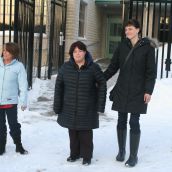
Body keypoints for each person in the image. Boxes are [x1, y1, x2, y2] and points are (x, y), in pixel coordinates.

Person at [104, 19, 156, 167]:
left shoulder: (147, 47)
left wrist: (148, 90)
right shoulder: (122, 46)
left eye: (130, 29)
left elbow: (151, 72)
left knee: (134, 121)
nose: (127, 32)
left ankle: (133, 156)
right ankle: (121, 151)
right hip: (122, 88)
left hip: (138, 91)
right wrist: (100, 79)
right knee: (121, 120)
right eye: (126, 29)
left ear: (138, 30)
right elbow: (113, 67)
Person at [53, 41, 106, 165]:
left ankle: (87, 156)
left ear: (85, 52)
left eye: (80, 51)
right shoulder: (65, 67)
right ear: (71, 54)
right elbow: (59, 86)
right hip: (69, 106)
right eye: (75, 51)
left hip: (87, 107)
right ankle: (74, 154)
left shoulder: (93, 67)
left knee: (85, 133)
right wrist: (57, 105)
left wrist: (100, 105)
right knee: (72, 132)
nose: (77, 54)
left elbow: (102, 84)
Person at [0, 42, 28, 155]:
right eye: (4, 50)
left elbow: (23, 85)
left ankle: (18, 145)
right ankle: (1, 147)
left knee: (13, 125)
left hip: (11, 102)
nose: (4, 52)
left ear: (13, 53)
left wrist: (23, 101)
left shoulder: (19, 66)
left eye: (8, 51)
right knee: (0, 127)